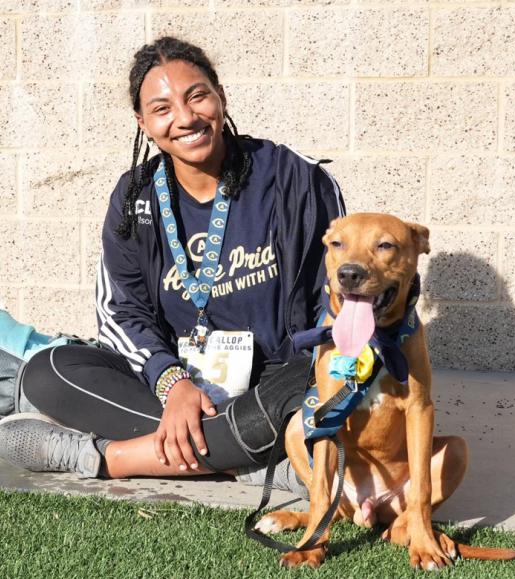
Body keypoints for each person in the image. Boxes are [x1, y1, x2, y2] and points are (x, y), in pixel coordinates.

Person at [0, 37, 344, 490]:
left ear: (220, 96)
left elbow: (337, 299)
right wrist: (172, 383)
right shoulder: (133, 198)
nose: (185, 118)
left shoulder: (295, 177)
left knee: (317, 388)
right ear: (143, 123)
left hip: (281, 379)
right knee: (49, 372)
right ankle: (263, 464)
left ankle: (105, 457)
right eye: (162, 109)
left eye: (197, 96)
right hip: (180, 390)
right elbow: (121, 313)